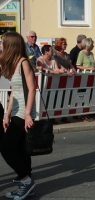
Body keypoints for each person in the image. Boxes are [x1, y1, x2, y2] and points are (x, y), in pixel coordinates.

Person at [0, 32, 36, 200]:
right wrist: (7, 115)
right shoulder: (14, 64)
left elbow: (31, 90)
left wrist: (28, 114)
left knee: (6, 147)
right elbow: (14, 92)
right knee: (21, 149)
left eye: (3, 43)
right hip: (16, 112)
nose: (1, 45)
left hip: (23, 113)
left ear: (10, 45)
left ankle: (26, 181)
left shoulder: (24, 63)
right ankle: (27, 183)